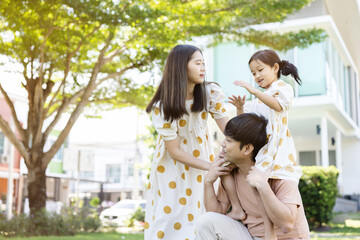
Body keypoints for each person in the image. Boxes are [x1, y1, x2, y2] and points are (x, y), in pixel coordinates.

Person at [144, 44, 229, 240]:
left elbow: (230, 130)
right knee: (169, 218)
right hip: (172, 169)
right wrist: (211, 166)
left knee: (200, 217)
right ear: (181, 67)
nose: (203, 68)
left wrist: (242, 112)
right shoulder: (163, 107)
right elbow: (174, 151)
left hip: (202, 165)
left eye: (203, 63)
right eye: (198, 63)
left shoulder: (210, 94)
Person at [222, 49, 303, 238]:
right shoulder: (258, 99)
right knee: (227, 166)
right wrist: (240, 108)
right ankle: (236, 208)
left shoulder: (281, 88)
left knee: (261, 188)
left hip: (276, 152)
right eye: (253, 73)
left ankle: (269, 233)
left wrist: (254, 91)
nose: (257, 76)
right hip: (261, 152)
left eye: (260, 70)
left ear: (275, 68)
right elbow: (244, 128)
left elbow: (278, 104)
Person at [195, 113, 310, 240]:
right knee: (206, 221)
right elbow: (215, 214)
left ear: (247, 149)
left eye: (228, 140)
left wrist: (263, 186)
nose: (222, 144)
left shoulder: (279, 173)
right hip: (253, 237)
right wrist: (208, 183)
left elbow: (286, 225)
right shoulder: (230, 173)